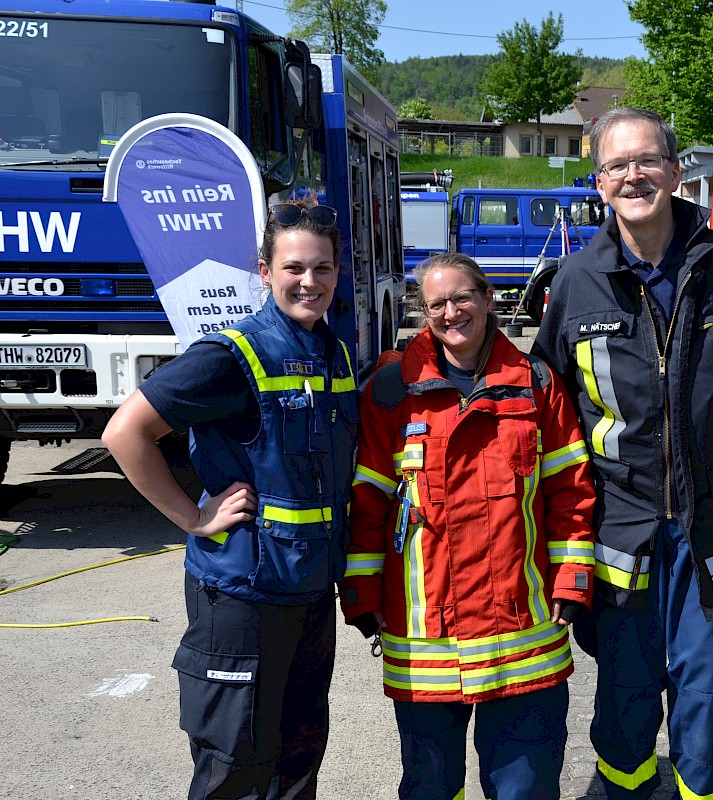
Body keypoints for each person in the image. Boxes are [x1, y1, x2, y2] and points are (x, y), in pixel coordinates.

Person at [532, 107, 713, 800]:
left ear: (674, 173)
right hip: (619, 531)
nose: (633, 175)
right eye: (617, 165)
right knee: (625, 705)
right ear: (600, 183)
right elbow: (551, 418)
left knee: (706, 705)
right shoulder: (575, 282)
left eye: (646, 161)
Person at [101, 200, 357, 800]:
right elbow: (124, 433)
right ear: (265, 272)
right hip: (241, 598)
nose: (309, 282)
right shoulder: (231, 355)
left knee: (298, 760)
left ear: (338, 273)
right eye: (294, 268)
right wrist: (193, 517)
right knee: (235, 766)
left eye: (322, 268)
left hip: (311, 592)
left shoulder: (334, 353)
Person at [341, 253, 596, 800]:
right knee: (431, 788)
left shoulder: (536, 385)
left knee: (526, 789)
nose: (451, 312)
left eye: (462, 298)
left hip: (522, 638)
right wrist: (362, 592)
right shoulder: (391, 391)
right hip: (425, 643)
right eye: (436, 304)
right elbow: (368, 503)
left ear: (487, 298)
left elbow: (569, 492)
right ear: (423, 312)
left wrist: (573, 577)